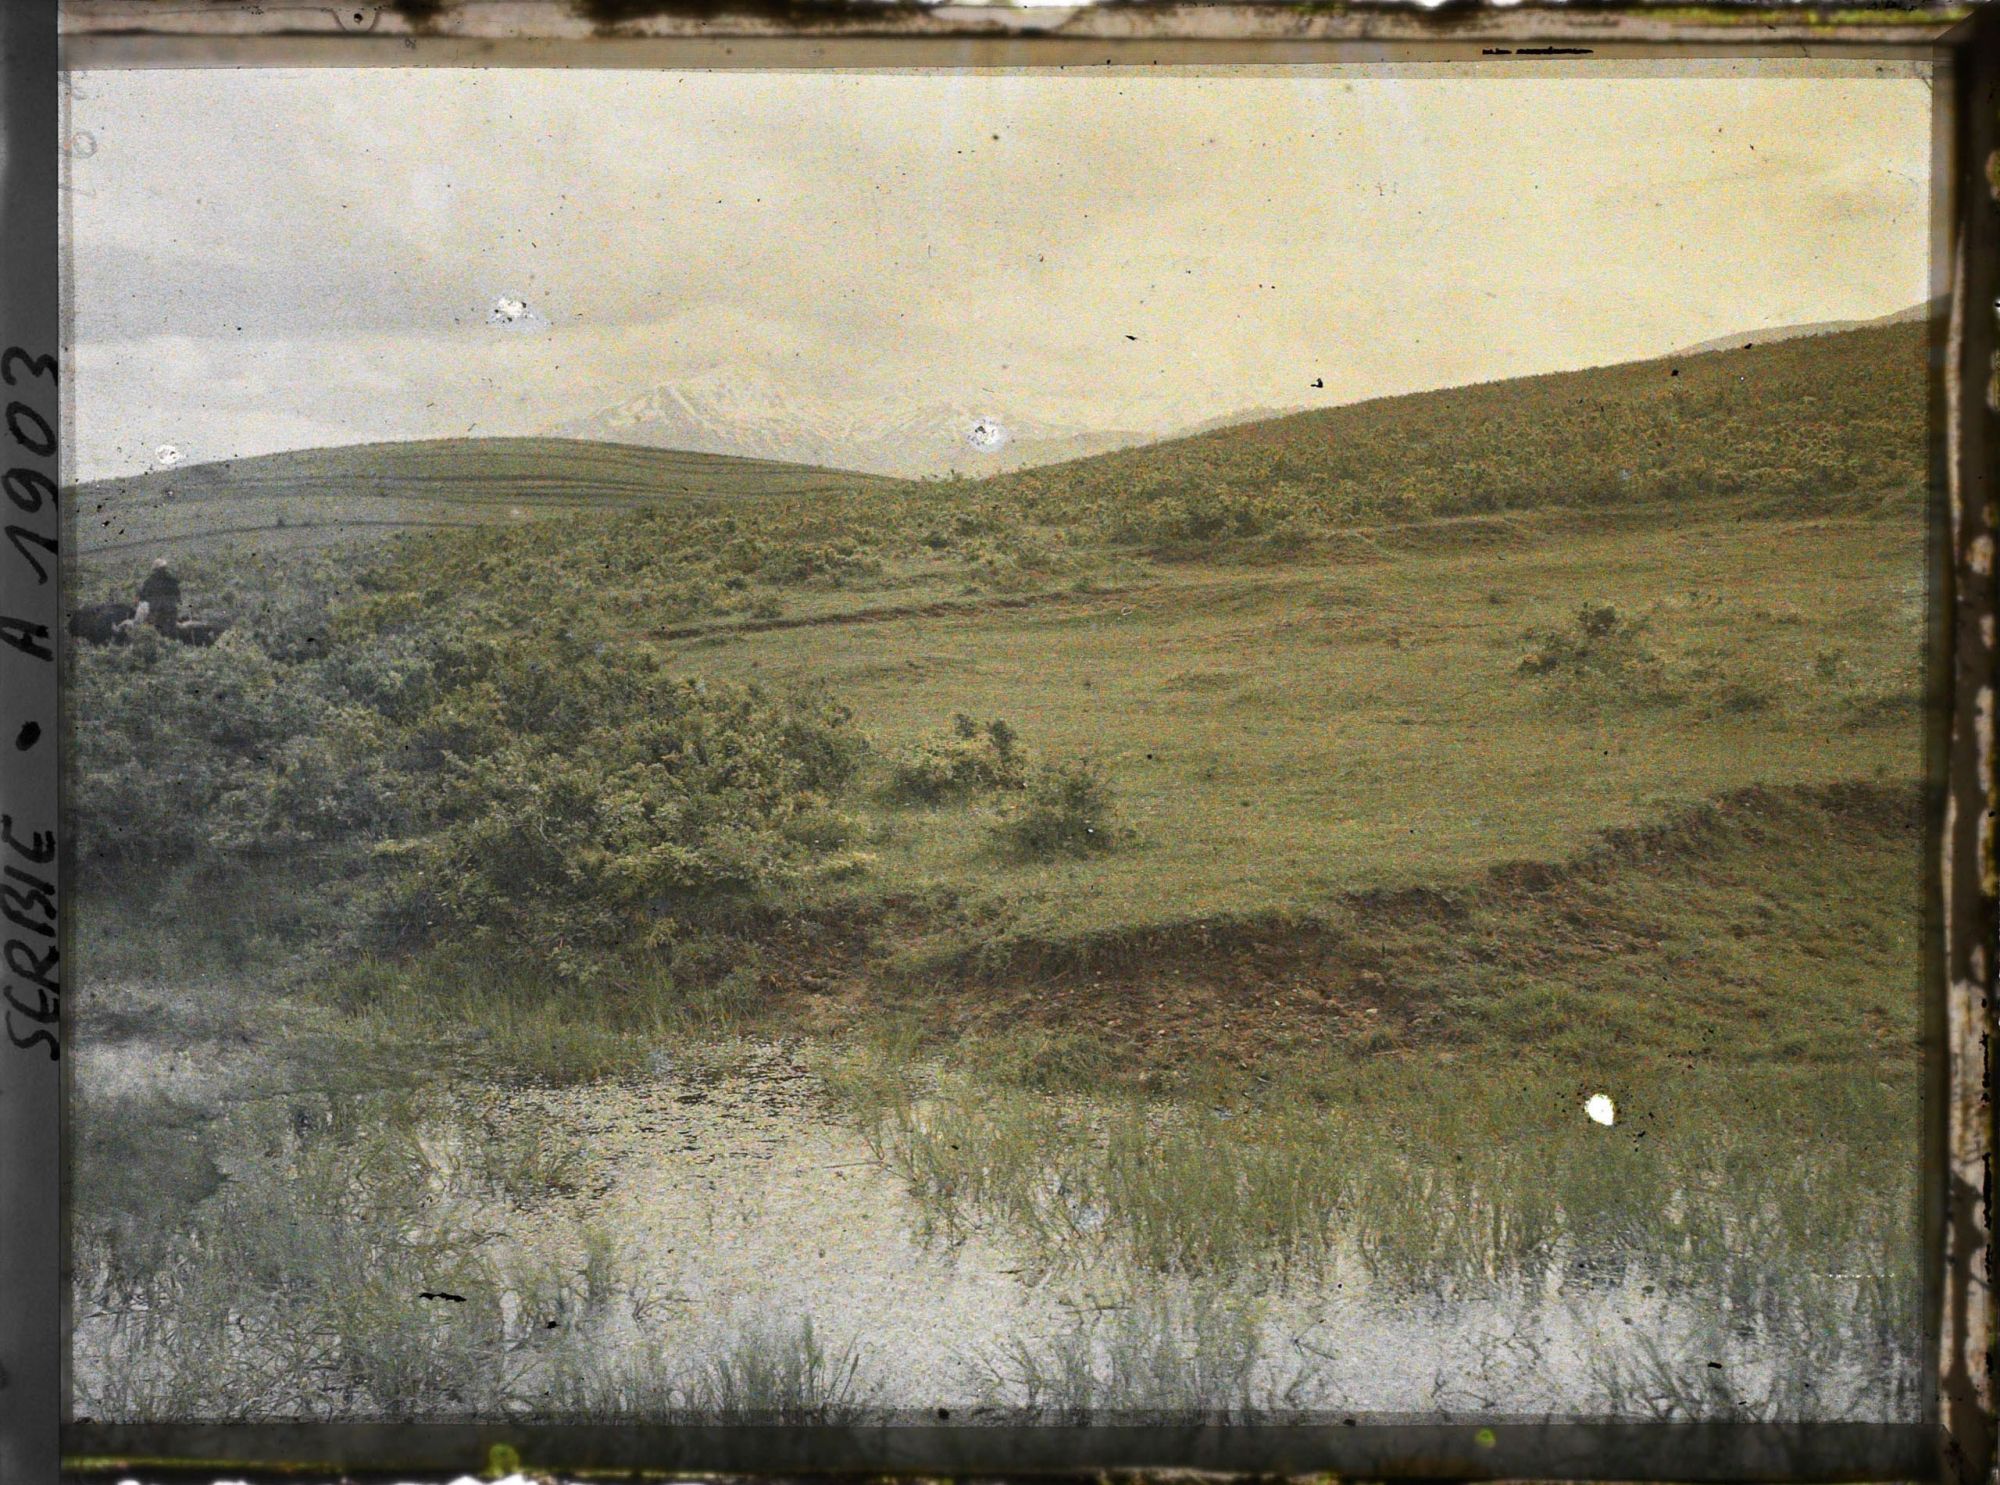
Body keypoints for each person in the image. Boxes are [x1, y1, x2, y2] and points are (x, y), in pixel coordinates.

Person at [137, 558, 181, 632]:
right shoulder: (172, 580)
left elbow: (142, 598)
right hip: (171, 612)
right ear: (165, 568)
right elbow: (178, 596)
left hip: (154, 612)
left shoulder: (148, 582)